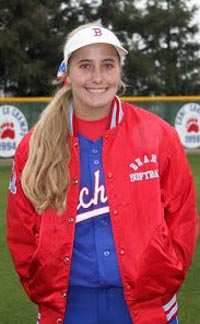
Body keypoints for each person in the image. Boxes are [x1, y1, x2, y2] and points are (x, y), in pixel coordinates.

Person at [6, 22, 199, 324]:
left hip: (147, 304)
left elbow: (182, 215)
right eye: (85, 65)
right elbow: (20, 229)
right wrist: (41, 284)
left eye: (107, 65)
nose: (97, 77)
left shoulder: (158, 135)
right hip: (68, 308)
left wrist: (166, 274)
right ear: (67, 74)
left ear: (120, 72)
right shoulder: (34, 145)